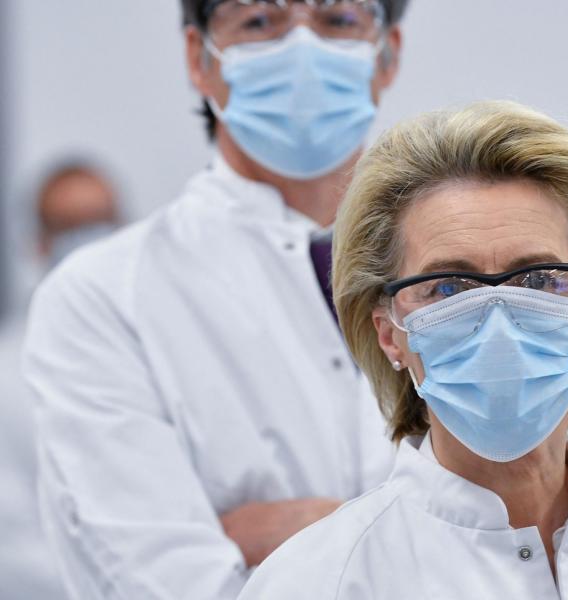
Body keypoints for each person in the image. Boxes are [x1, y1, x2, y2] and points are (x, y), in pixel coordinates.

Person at [237, 100, 568, 600]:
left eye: (540, 279)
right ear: (389, 332)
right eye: (447, 287)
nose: (498, 326)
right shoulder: (319, 581)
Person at [22, 2, 408, 599]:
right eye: (259, 22)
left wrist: (297, 534)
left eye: (338, 19)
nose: (301, 49)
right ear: (198, 58)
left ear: (388, 54)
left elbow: (562, 538)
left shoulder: (477, 277)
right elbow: (161, 583)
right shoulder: (100, 300)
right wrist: (428, 539)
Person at [0, 159, 120, 600]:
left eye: (99, 221)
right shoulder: (7, 373)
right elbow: (10, 545)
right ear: (39, 244)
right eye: (69, 225)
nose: (88, 238)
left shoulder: (162, 350)